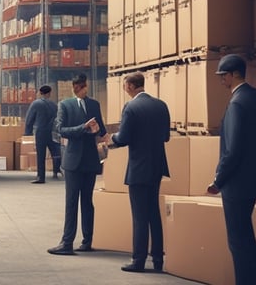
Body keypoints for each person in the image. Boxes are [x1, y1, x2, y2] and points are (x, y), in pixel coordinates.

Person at [206, 54, 256, 285]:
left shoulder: (235, 103)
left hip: (235, 183)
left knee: (238, 241)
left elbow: (231, 150)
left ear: (233, 75)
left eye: (223, 76)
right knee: (247, 239)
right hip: (252, 177)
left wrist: (217, 181)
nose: (221, 80)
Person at [108, 72, 171, 273]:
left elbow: (124, 137)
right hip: (157, 166)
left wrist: (112, 138)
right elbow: (166, 136)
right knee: (154, 214)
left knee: (139, 216)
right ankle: (159, 260)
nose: (124, 89)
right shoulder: (161, 105)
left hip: (138, 167)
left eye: (125, 86)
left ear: (131, 86)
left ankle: (139, 261)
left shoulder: (131, 107)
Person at [48, 73, 108, 256]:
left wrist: (97, 130)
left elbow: (102, 130)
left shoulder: (94, 104)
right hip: (73, 161)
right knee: (72, 202)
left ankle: (87, 241)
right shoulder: (65, 105)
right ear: (73, 87)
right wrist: (83, 127)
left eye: (82, 86)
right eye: (77, 86)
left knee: (87, 202)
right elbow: (61, 130)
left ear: (85, 86)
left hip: (90, 160)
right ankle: (67, 243)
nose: (80, 89)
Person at [25, 84, 62, 183]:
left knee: (41, 155)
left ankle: (41, 177)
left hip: (41, 132)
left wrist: (27, 132)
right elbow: (58, 119)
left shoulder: (36, 104)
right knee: (55, 152)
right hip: (52, 132)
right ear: (49, 93)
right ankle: (56, 170)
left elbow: (29, 119)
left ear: (40, 93)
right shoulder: (54, 105)